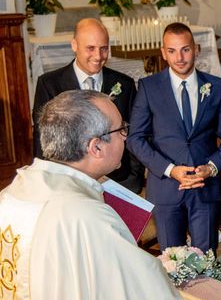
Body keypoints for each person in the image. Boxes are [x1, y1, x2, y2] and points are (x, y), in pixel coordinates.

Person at [0, 90, 183, 300]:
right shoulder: (85, 217)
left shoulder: (10, 196)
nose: (126, 136)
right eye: (120, 130)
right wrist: (162, 273)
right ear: (95, 146)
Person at [128, 22, 221, 253]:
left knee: (206, 264)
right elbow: (135, 138)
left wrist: (211, 167)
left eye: (185, 49)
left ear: (196, 49)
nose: (179, 57)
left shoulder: (215, 86)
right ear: (163, 52)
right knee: (172, 266)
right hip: (166, 189)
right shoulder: (149, 87)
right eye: (172, 51)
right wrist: (170, 169)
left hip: (205, 186)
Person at [32, 17, 144, 193]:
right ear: (74, 45)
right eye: (90, 48)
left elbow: (134, 132)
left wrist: (133, 178)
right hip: (70, 185)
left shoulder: (124, 84)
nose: (98, 56)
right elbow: (43, 141)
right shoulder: (50, 84)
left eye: (104, 48)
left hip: (119, 181)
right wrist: (49, 184)